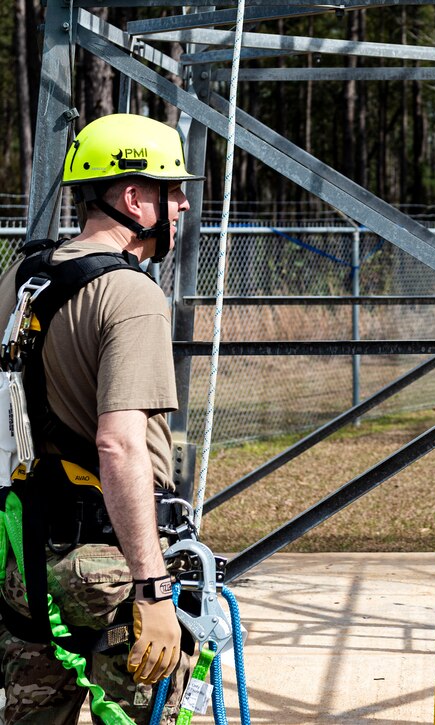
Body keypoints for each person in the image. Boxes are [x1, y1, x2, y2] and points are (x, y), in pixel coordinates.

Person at [0, 113, 203, 723]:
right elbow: (119, 446)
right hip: (109, 566)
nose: (183, 205)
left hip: (25, 557)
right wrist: (153, 588)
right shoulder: (132, 293)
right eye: (173, 190)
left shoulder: (21, 278)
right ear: (135, 197)